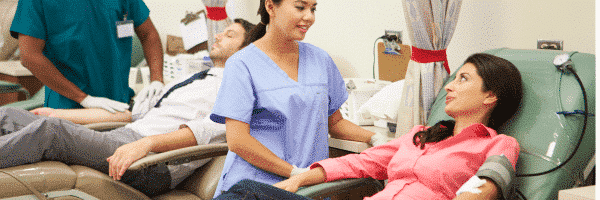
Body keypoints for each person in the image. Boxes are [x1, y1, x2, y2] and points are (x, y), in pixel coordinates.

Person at [214, 53, 524, 200]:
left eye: (463, 79)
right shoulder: (420, 136)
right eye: (453, 77)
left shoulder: (497, 144)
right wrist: (298, 179)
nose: (450, 86)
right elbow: (360, 163)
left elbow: (487, 187)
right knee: (248, 192)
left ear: (491, 95)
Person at [0, 19, 255, 197]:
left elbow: (213, 131)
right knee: (12, 115)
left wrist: (147, 144)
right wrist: (58, 112)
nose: (219, 35)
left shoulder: (236, 89)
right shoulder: (194, 79)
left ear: (246, 51)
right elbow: (132, 114)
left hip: (152, 163)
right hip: (124, 138)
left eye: (230, 35)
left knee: (50, 132)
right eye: (222, 31)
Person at [209, 0, 384, 197]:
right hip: (253, 185)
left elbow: (335, 123)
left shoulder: (320, 60)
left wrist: (375, 138)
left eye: (313, 9)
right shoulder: (241, 64)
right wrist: (294, 172)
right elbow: (238, 141)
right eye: (300, 7)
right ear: (270, 7)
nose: (309, 16)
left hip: (306, 187)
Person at [10, 0, 164, 113]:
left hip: (119, 106)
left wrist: (157, 79)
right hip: (68, 109)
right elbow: (30, 56)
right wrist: (84, 98)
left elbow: (148, 34)